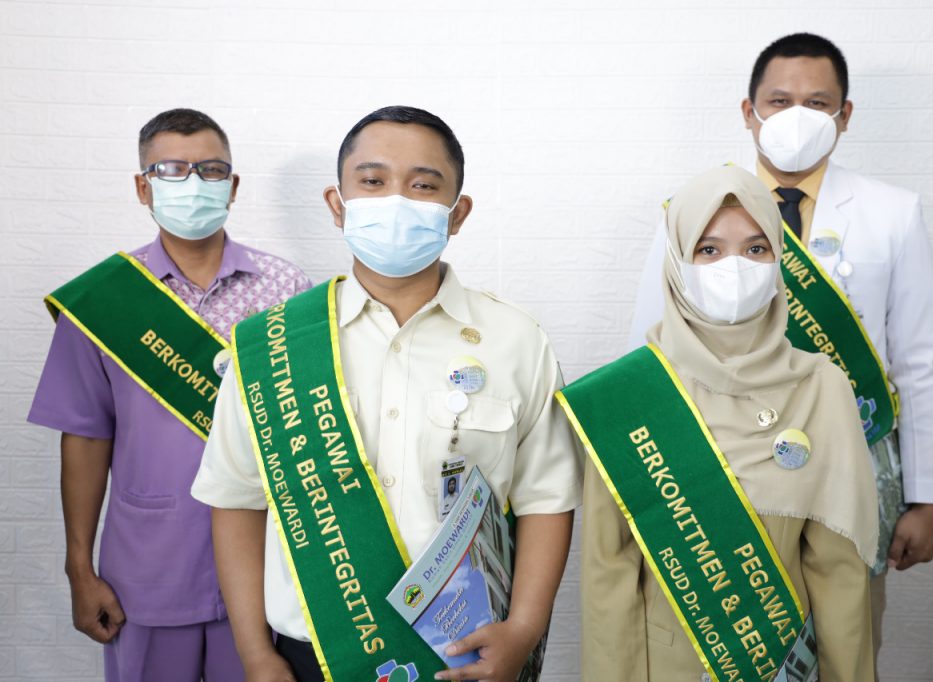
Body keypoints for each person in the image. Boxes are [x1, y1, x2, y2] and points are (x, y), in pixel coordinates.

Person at [191, 105, 582, 682]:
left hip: (466, 653)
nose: (396, 200)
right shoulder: (269, 345)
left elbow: (546, 498)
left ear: (457, 213)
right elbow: (236, 501)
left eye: (423, 185)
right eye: (373, 182)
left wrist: (523, 629)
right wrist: (256, 654)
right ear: (337, 204)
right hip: (315, 654)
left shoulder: (515, 341)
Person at [628, 33, 933, 661]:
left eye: (818, 103)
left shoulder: (893, 213)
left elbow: (921, 363)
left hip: (847, 468)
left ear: (845, 115)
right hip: (719, 466)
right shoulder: (690, 210)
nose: (796, 117)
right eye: (780, 101)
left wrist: (930, 498)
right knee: (719, 642)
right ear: (749, 112)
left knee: (845, 638)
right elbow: (649, 350)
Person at [561, 165, 878, 681]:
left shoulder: (822, 387)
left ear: (779, 257)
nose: (735, 266)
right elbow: (607, 578)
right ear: (677, 261)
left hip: (781, 664)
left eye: (756, 248)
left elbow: (839, 572)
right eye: (709, 249)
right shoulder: (628, 395)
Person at [27, 108, 312, 681]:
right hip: (146, 571)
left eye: (211, 170)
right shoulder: (103, 301)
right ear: (143, 187)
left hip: (266, 569)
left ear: (232, 185)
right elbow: (85, 437)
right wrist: (78, 567)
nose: (194, 183)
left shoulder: (288, 291)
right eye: (172, 170)